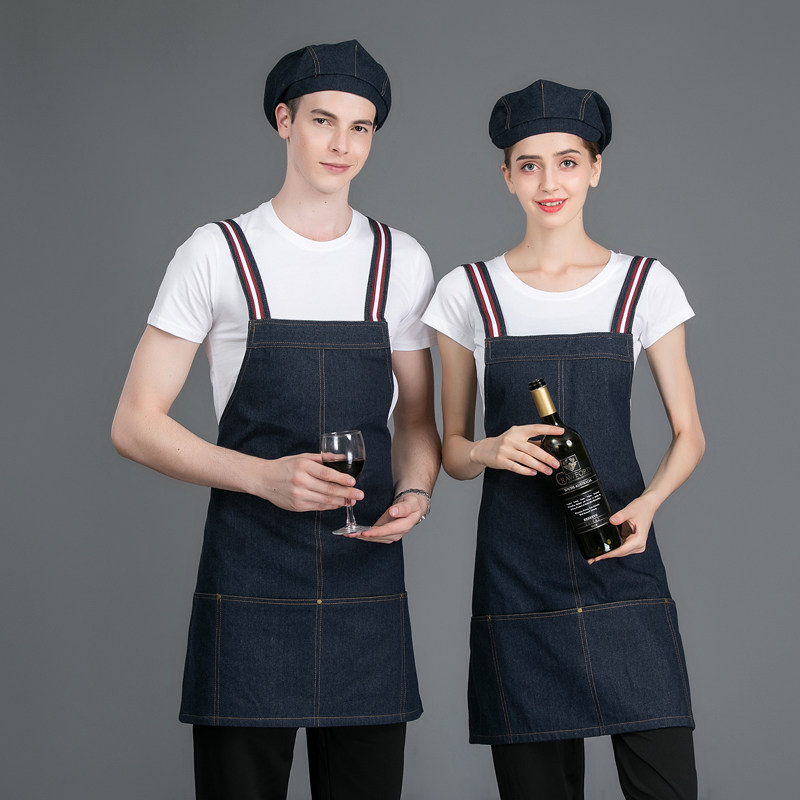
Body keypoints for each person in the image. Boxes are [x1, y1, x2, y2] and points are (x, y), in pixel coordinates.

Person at [111, 40, 440, 800]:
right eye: (323, 121)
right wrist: (262, 477)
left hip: (363, 576)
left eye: (360, 128)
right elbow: (134, 423)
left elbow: (419, 418)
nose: (341, 144)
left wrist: (417, 490)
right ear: (284, 120)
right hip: (249, 573)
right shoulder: (216, 253)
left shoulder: (401, 260)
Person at [422, 80, 705, 799]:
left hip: (620, 554)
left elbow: (690, 434)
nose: (550, 183)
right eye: (530, 165)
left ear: (596, 168)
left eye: (568, 162)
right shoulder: (467, 292)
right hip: (517, 573)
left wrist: (650, 506)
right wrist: (486, 450)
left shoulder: (644, 285)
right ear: (506, 175)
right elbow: (451, 450)